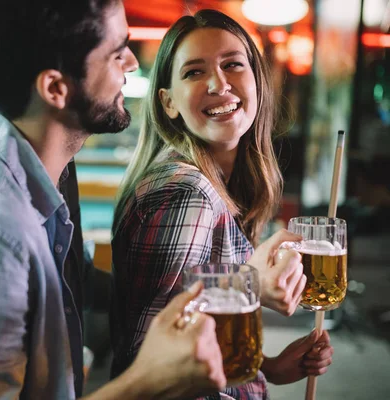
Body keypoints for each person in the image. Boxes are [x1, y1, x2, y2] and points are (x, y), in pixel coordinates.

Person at [0, 1, 227, 399]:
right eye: (117, 52)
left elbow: (74, 282)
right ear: (55, 89)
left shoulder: (38, 160)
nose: (132, 63)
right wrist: (144, 382)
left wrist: (226, 290)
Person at [110, 10, 334, 399]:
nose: (219, 83)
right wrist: (247, 285)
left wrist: (265, 368)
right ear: (168, 103)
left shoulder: (214, 183)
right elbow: (148, 363)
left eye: (232, 64)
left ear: (257, 82)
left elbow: (196, 332)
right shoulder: (187, 191)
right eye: (194, 72)